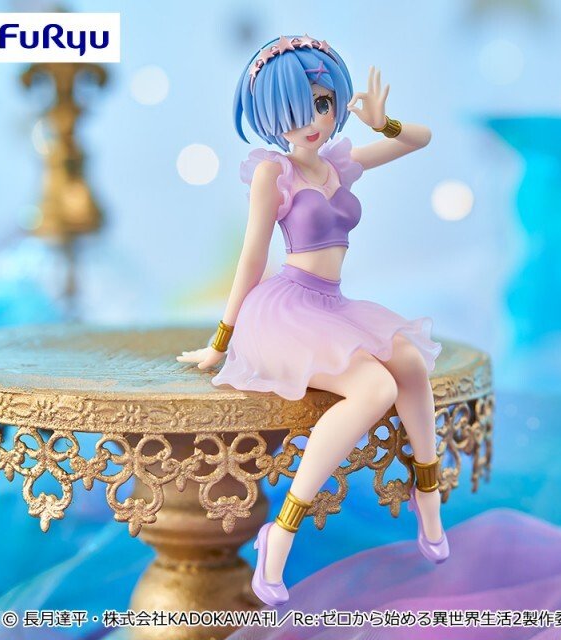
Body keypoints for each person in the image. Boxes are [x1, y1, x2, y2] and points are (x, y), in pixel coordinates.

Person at [177, 34, 448, 607]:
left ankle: (428, 495)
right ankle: (282, 531)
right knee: (375, 388)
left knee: (409, 361)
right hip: (284, 309)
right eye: (295, 111)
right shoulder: (273, 174)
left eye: (322, 105)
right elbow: (252, 258)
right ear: (271, 117)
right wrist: (221, 342)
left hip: (332, 303)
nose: (312, 122)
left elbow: (420, 140)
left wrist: (384, 123)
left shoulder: (338, 164)